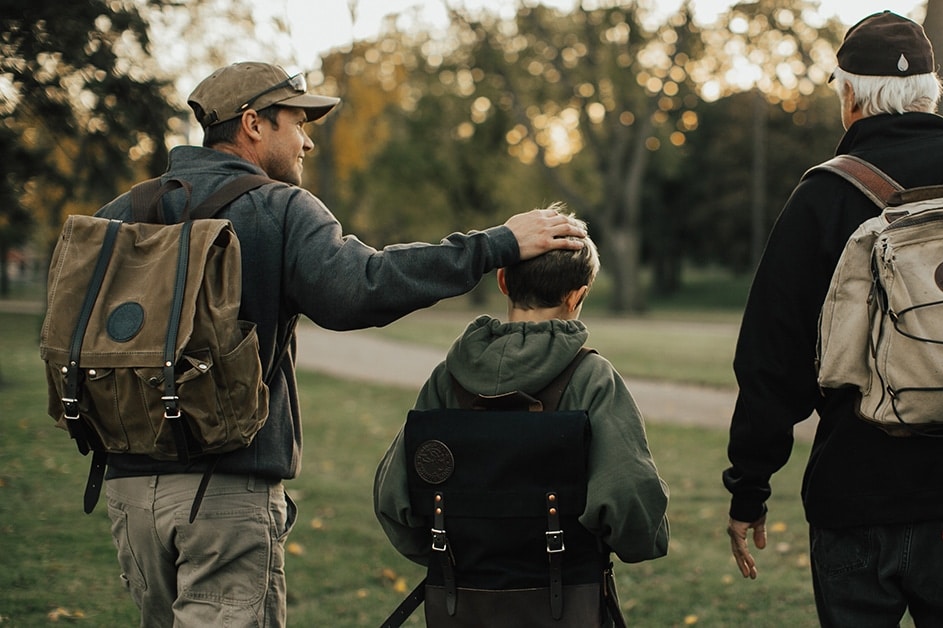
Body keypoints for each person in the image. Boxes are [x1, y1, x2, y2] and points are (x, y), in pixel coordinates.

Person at [95, 61, 586, 627]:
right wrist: (495, 245)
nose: (306, 140)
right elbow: (363, 287)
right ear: (253, 124)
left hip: (128, 494)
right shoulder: (276, 208)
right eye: (297, 122)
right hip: (223, 493)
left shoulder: (123, 213)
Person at [722, 11, 943, 627]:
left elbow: (771, 361)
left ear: (850, 97)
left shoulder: (821, 197)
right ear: (928, 92)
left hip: (856, 496)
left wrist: (751, 486)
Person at [374, 206, 670, 624]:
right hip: (567, 601)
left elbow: (393, 499)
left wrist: (452, 554)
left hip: (461, 602)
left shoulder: (448, 378)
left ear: (502, 280)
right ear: (577, 295)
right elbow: (630, 501)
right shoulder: (592, 378)